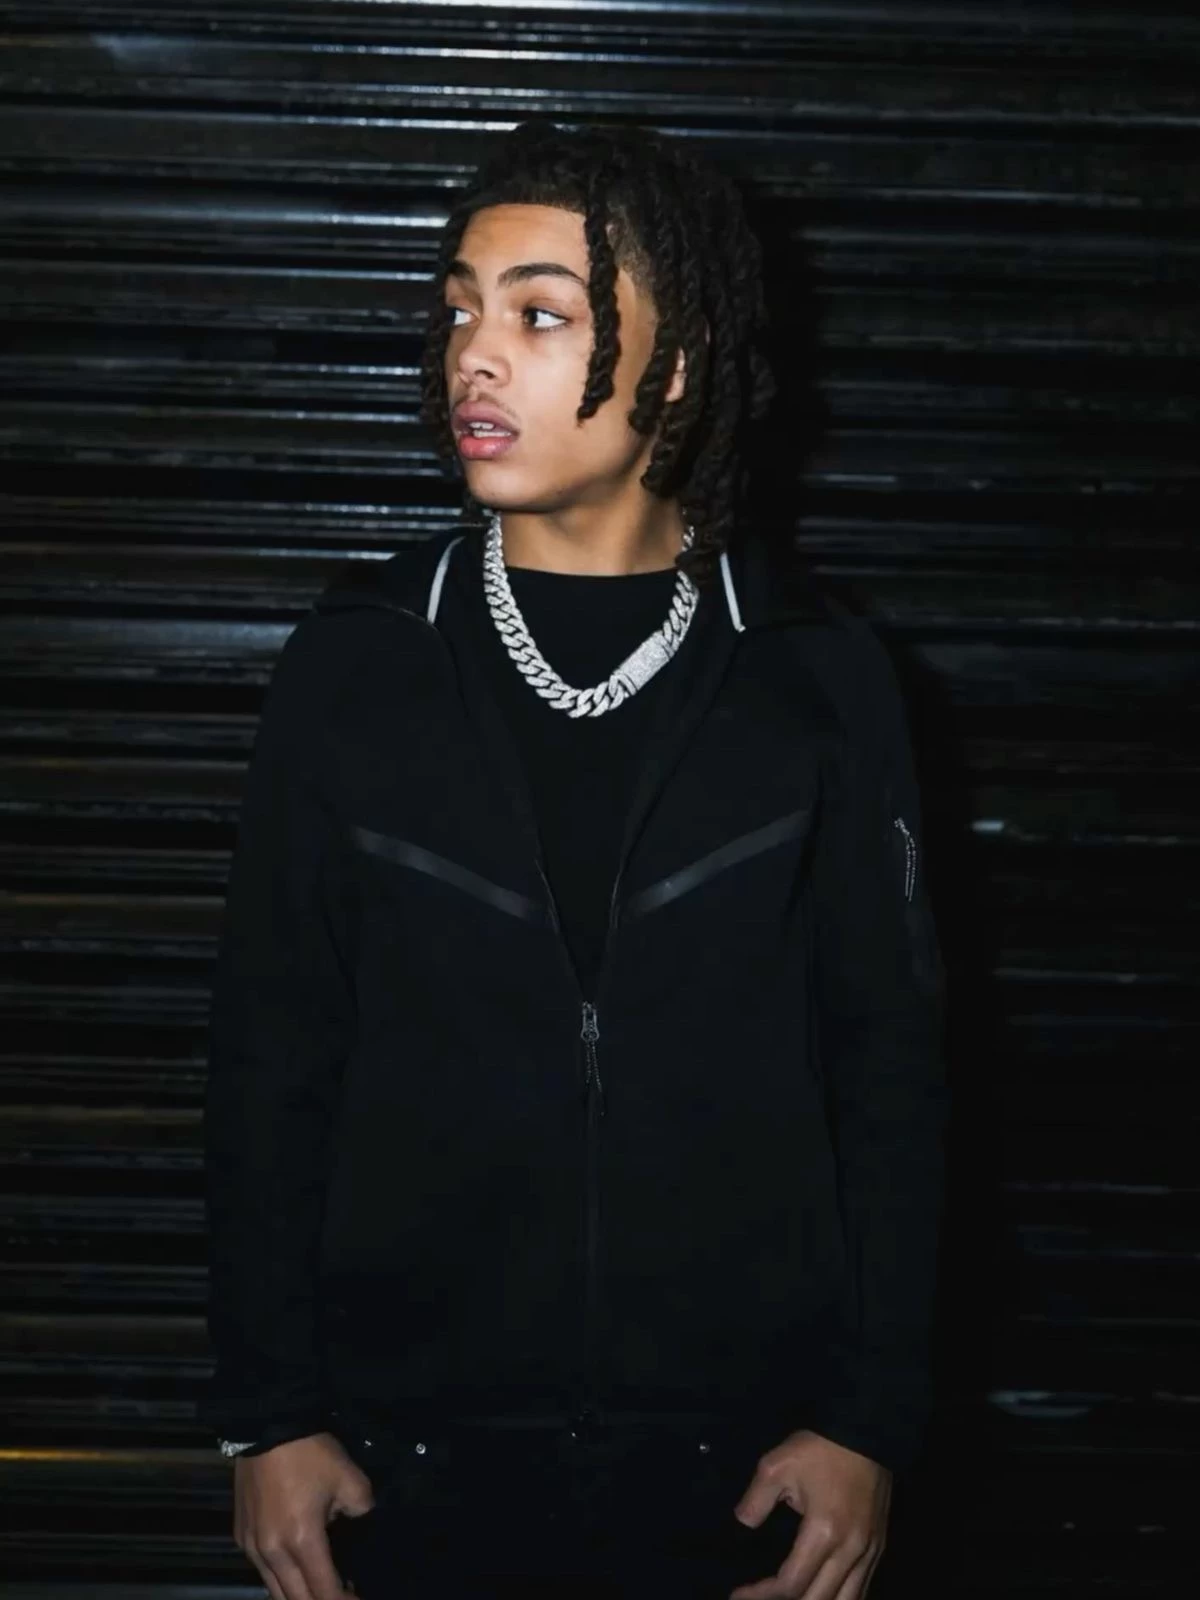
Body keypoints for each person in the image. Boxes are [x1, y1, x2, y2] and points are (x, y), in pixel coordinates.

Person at [200, 119, 949, 1600]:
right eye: (459, 312)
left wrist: (869, 1416)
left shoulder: (816, 673)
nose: (475, 357)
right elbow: (270, 1055)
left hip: (737, 1467)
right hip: (406, 1459)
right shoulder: (358, 663)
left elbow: (893, 1068)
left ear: (677, 369)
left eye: (540, 316)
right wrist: (267, 1413)